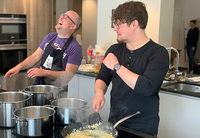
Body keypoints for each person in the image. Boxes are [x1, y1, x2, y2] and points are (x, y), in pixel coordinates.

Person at [92, 1, 169, 137]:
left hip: (142, 129)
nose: (115, 29)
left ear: (134, 24)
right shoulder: (114, 49)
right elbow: (102, 78)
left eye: (118, 24)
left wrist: (117, 66)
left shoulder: (158, 53)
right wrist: (99, 93)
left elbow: (147, 87)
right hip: (115, 123)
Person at [4, 10, 82, 96]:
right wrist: (18, 67)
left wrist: (44, 72)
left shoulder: (75, 47)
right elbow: (35, 57)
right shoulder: (50, 37)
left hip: (56, 93)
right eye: (62, 15)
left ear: (73, 26)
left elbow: (68, 75)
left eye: (66, 17)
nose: (61, 17)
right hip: (39, 86)